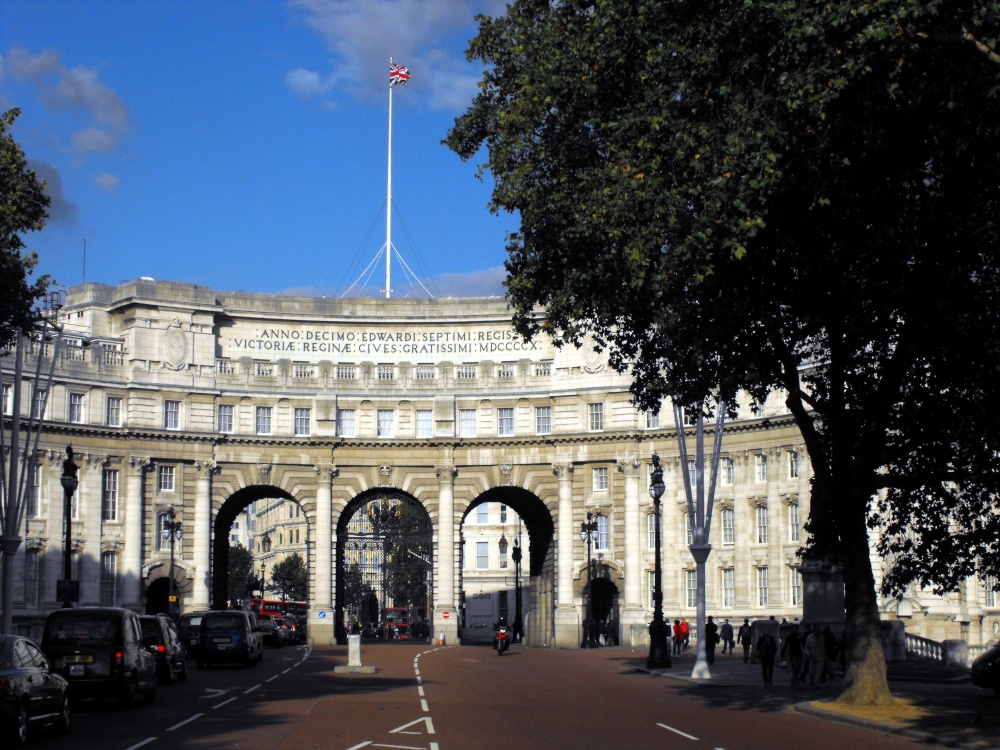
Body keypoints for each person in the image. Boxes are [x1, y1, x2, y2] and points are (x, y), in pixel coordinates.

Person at [781, 623, 805, 687]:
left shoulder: (800, 636)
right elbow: (785, 646)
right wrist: (782, 654)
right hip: (792, 653)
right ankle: (796, 680)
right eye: (793, 629)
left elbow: (803, 644)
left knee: (799, 668)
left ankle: (794, 678)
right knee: (795, 668)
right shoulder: (789, 637)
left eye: (795, 629)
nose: (794, 630)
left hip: (799, 653)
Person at [803, 623, 826, 688]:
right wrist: (807, 653)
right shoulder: (809, 637)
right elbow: (806, 647)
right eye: (817, 628)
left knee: (819, 670)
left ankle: (816, 684)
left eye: (819, 628)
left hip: (820, 657)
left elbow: (824, 647)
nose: (819, 630)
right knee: (812, 671)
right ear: (814, 629)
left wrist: (825, 656)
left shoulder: (822, 637)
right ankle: (812, 680)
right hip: (812, 657)